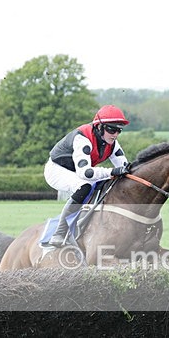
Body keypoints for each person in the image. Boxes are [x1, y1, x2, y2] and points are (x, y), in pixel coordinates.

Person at [44, 105, 131, 247]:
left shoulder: (112, 143)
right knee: (84, 186)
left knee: (111, 182)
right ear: (99, 127)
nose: (115, 134)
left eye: (119, 130)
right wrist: (111, 172)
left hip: (78, 172)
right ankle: (59, 232)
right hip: (57, 170)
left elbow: (125, 167)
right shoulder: (82, 138)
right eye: (111, 129)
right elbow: (85, 173)